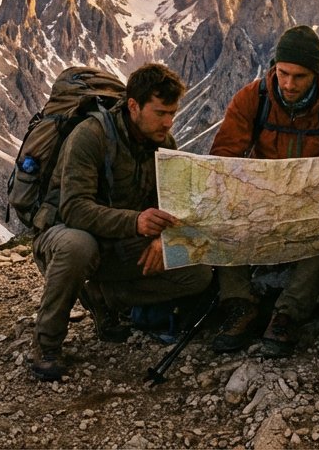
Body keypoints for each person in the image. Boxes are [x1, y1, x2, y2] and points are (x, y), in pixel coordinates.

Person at [29, 62, 214, 382]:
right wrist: (135, 222)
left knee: (197, 273)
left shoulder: (165, 144)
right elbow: (74, 209)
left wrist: (162, 240)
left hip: (121, 240)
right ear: (133, 106)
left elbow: (171, 204)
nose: (169, 122)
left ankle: (103, 298)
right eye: (160, 113)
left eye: (173, 113)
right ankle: (47, 344)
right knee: (78, 246)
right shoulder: (91, 135)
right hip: (66, 234)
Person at [205, 25, 319, 358]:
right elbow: (224, 159)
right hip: (259, 201)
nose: (288, 84)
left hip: (311, 205)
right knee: (217, 210)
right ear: (274, 66)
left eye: (299, 76)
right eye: (283, 73)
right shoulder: (252, 97)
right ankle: (240, 304)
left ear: (316, 72)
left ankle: (288, 314)